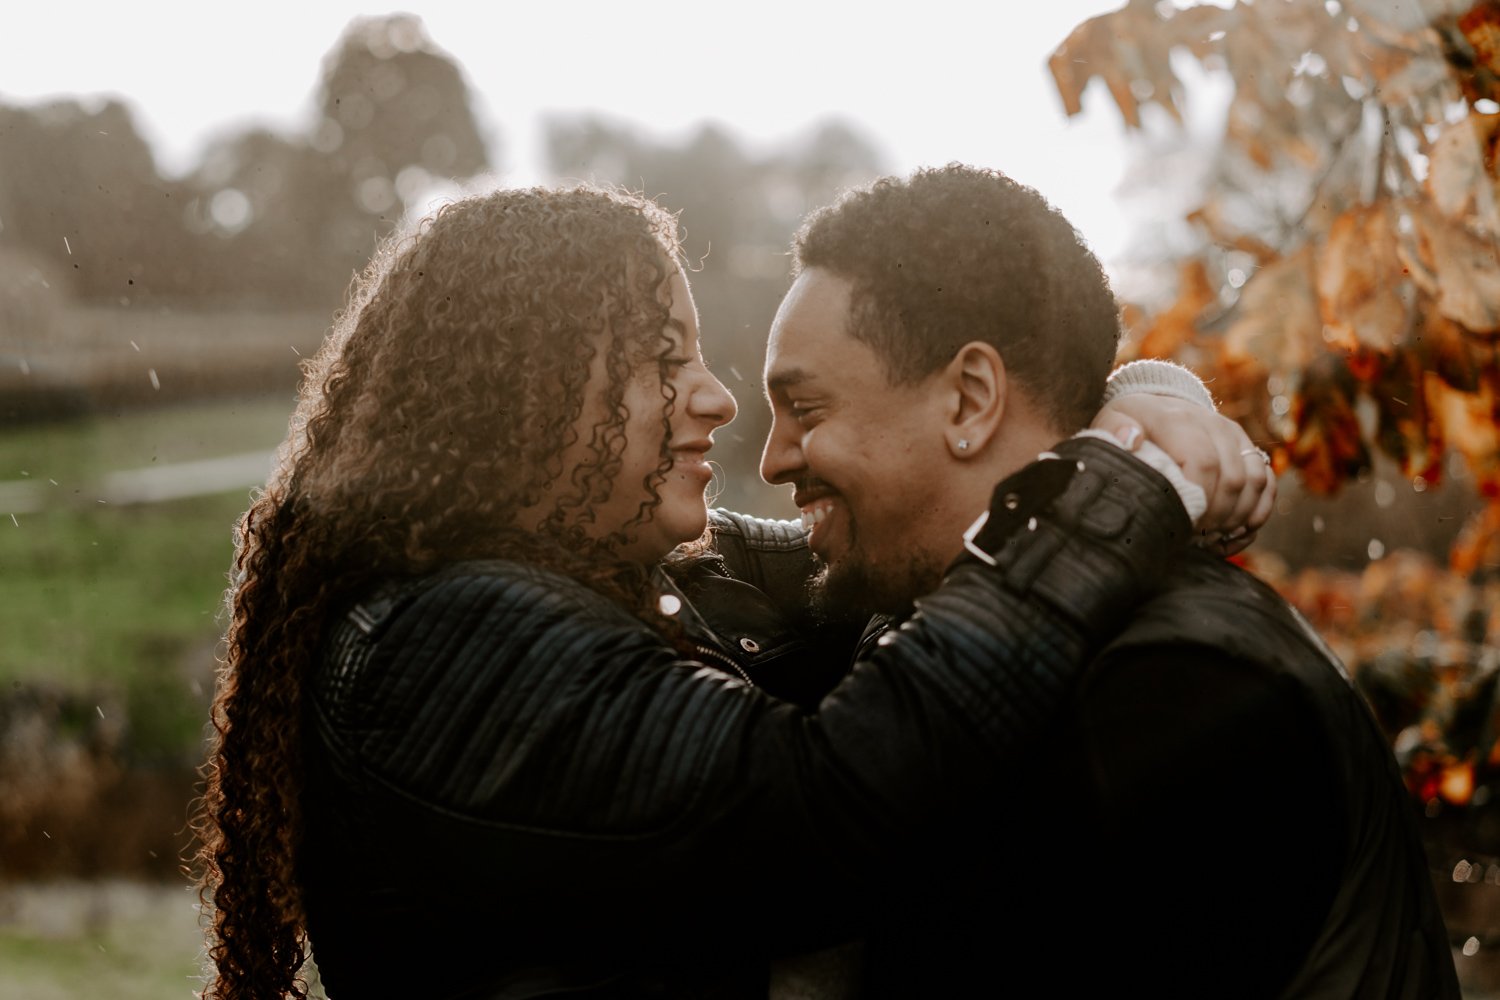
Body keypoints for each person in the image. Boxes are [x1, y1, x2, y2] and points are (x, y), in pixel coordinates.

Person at [194, 183, 1266, 1000]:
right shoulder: (435, 648)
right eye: (661, 363)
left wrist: (1132, 404)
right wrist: (1133, 477)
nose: (711, 399)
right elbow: (828, 803)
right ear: (517, 402)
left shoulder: (634, 580)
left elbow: (903, 545)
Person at [753, 164, 1458, 997]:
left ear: (970, 400)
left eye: (807, 410)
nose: (771, 461)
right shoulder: (946, 619)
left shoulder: (1177, 694)